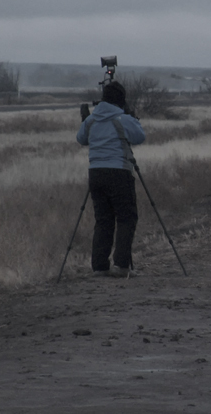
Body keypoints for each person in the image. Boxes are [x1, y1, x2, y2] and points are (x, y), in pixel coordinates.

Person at [77, 81, 146, 278]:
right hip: (119, 172)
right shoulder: (121, 118)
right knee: (126, 217)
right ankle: (121, 265)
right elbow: (140, 136)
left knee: (103, 220)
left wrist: (85, 120)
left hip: (95, 174)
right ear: (121, 100)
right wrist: (131, 117)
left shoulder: (92, 120)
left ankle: (99, 266)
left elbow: (81, 139)